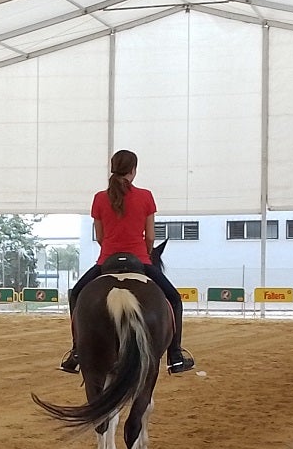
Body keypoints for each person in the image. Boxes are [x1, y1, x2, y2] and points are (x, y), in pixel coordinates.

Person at [59, 149, 194, 374]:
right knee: (174, 299)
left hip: (106, 261)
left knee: (76, 294)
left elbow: (100, 237)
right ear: (133, 170)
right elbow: (150, 237)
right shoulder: (146, 196)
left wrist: (111, 251)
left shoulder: (99, 198)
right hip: (140, 260)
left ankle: (76, 351)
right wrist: (145, 253)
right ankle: (175, 355)